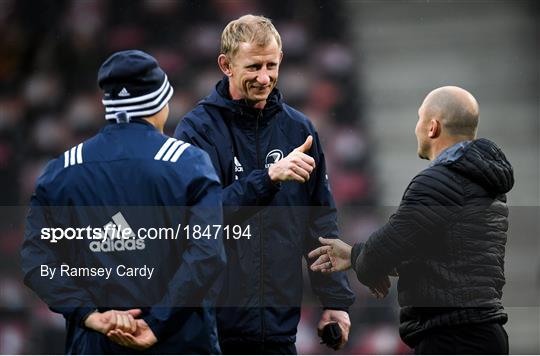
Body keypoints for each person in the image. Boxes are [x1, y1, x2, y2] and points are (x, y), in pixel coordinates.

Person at [20, 50, 226, 354]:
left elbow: (36, 260)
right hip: (180, 343)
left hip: (95, 345)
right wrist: (156, 323)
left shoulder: (62, 169)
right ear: (160, 103)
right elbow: (207, 255)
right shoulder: (189, 164)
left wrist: (88, 315)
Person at [174, 14, 355, 354]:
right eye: (253, 67)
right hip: (211, 334)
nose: (264, 77)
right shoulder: (195, 131)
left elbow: (320, 223)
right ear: (225, 65)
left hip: (278, 330)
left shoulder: (298, 130)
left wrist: (335, 301)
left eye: (271, 65)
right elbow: (199, 220)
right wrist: (268, 178)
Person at [309, 86, 514, 354]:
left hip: (452, 338)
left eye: (419, 119)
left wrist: (360, 258)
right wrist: (366, 258)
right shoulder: (484, 183)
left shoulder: (438, 182)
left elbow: (382, 252)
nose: (415, 128)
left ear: (433, 127)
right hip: (484, 335)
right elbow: (443, 258)